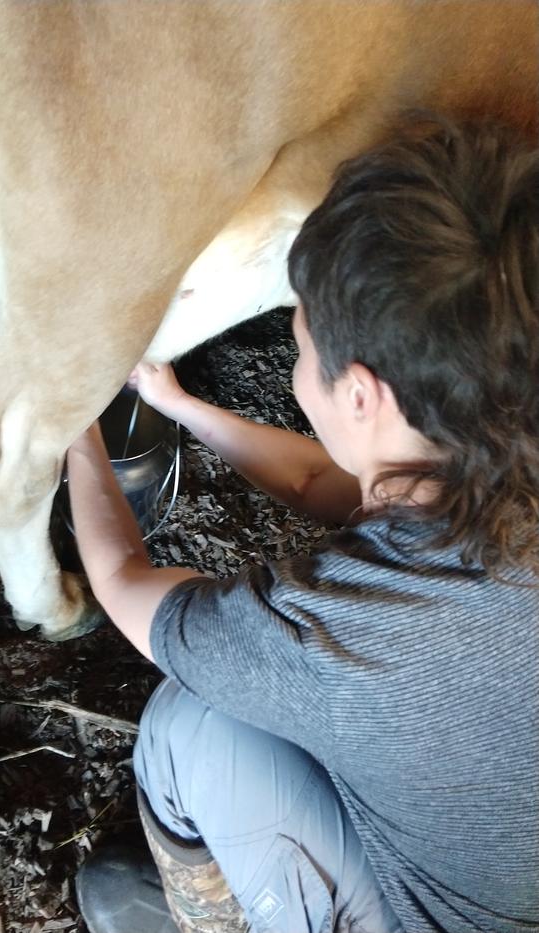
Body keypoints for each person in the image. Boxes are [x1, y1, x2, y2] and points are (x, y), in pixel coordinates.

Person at [66, 116, 539, 933]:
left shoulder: (343, 635)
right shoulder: (503, 436)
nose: (296, 362)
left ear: (361, 395)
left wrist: (69, 422)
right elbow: (330, 478)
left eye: (298, 342)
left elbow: (123, 580)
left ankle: (204, 918)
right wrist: (182, 406)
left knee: (191, 724)